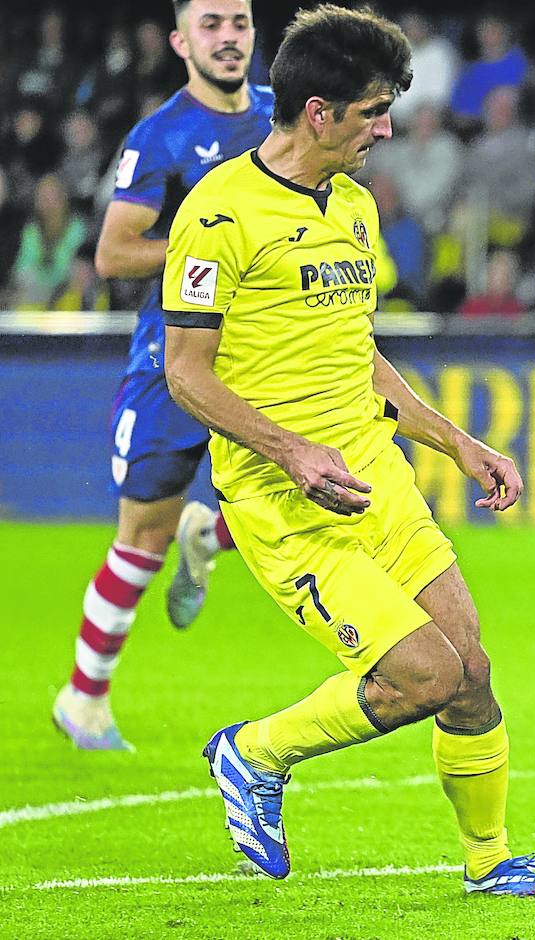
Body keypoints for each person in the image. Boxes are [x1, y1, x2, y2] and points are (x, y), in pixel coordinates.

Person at [160, 4, 535, 897]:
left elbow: (360, 354)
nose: (386, 129)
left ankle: (490, 861)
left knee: (470, 669)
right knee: (422, 675)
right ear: (318, 112)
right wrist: (291, 452)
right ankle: (253, 753)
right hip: (286, 501)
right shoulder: (220, 213)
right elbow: (186, 372)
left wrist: (458, 443)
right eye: (373, 112)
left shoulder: (354, 206)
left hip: (376, 479)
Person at [51, 0, 272, 752]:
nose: (228, 37)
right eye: (211, 25)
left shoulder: (284, 118)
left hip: (267, 350)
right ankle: (83, 699)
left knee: (322, 486)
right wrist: (211, 246)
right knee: (142, 536)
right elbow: (115, 254)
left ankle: (208, 534)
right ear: (181, 41)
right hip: (173, 354)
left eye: (239, 23)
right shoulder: (161, 137)